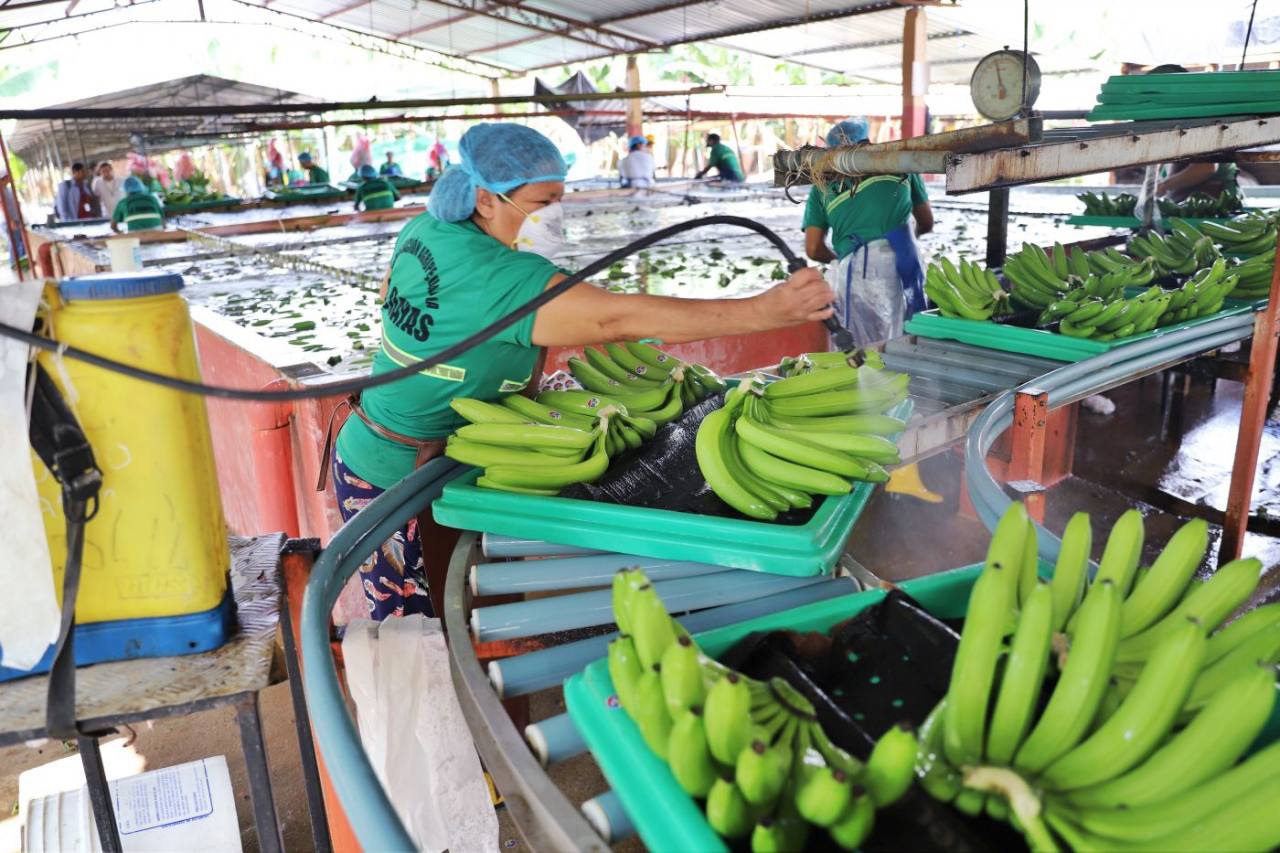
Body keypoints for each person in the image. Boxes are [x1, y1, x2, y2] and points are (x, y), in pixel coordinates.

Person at [326, 122, 833, 619]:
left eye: (559, 198)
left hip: (373, 445)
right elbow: (615, 319)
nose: (556, 215)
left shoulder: (429, 227)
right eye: (543, 202)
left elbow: (390, 286)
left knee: (455, 605)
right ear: (486, 200)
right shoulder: (499, 278)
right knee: (427, 628)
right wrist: (764, 312)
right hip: (400, 479)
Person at [803, 117, 934, 348]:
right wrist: (907, 241)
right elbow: (926, 222)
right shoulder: (901, 166)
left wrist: (843, 258)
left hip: (856, 269)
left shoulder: (822, 186)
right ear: (868, 141)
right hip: (905, 263)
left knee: (860, 347)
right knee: (904, 340)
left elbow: (813, 249)